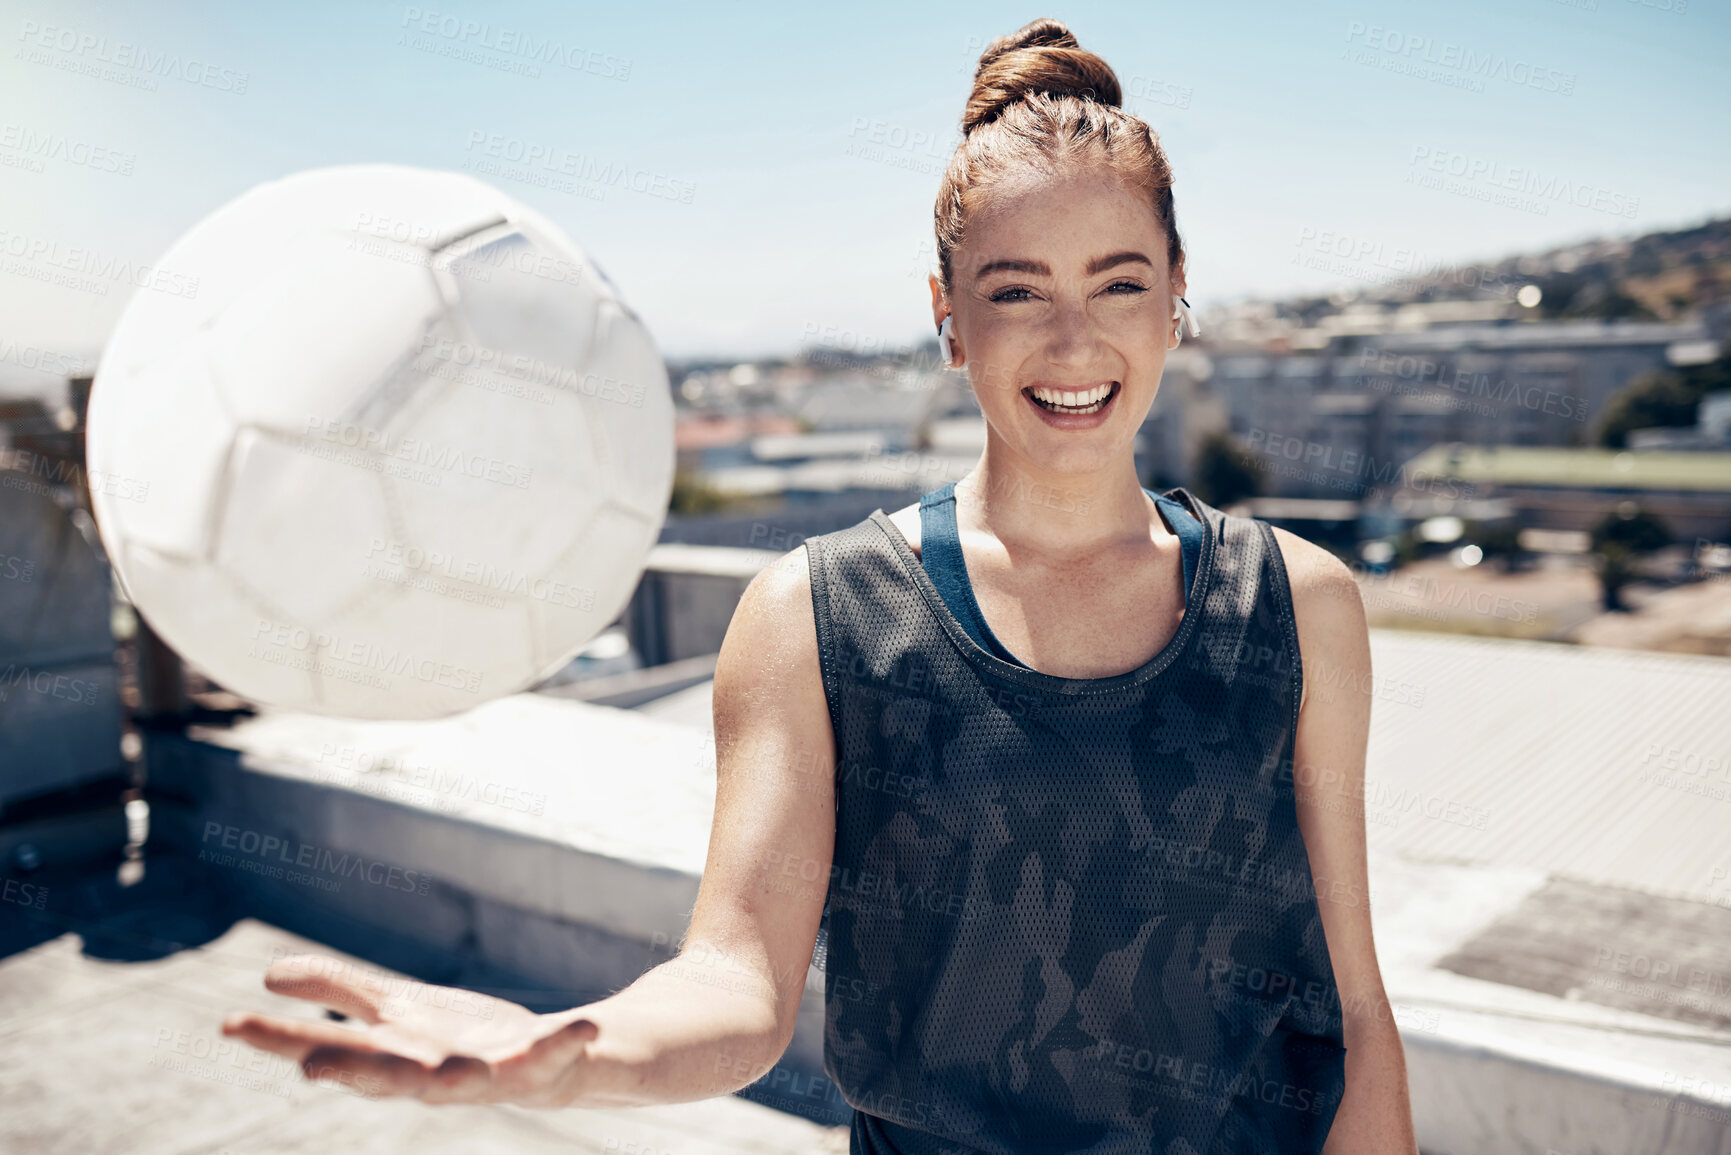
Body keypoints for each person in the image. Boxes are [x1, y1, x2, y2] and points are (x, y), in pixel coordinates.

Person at [223, 18, 1418, 1154]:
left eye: (1117, 283)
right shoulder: (820, 616)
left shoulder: (1296, 605)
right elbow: (737, 978)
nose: (1072, 342)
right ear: (949, 319)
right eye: (1014, 291)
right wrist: (581, 1045)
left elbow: (1355, 1014)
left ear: (1176, 296)